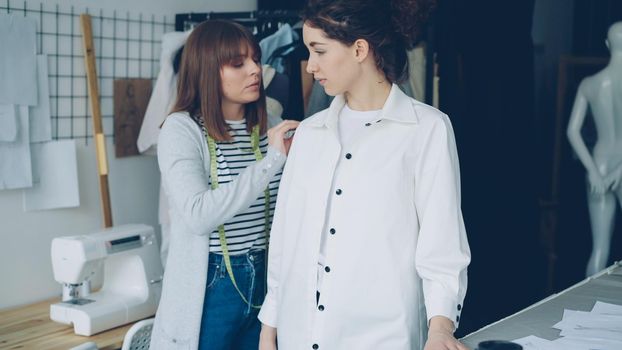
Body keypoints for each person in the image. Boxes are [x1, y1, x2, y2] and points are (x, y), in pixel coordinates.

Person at [257, 0, 471, 349]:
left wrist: (440, 329)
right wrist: (268, 332)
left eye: (319, 51)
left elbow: (442, 245)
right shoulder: (309, 134)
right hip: (300, 333)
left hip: (383, 336)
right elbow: (284, 238)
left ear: (359, 49)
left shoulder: (426, 129)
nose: (310, 66)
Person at [149, 20, 299, 350]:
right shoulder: (181, 130)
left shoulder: (270, 126)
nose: (255, 70)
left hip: (266, 280)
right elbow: (198, 215)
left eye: (255, 59)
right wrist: (272, 161)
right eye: (237, 63)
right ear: (206, 70)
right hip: (212, 284)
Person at [567, 21, 622, 277]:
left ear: (607, 45)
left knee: (599, 247)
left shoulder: (590, 84)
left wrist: (593, 172)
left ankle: (590, 311)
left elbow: (572, 131)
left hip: (599, 161)